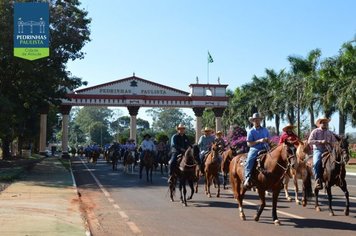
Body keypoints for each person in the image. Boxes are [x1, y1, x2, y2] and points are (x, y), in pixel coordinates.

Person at [308, 117, 338, 190]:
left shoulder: (330, 133)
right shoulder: (315, 131)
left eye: (326, 123)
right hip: (318, 150)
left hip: (329, 150)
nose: (325, 124)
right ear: (320, 123)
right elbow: (310, 141)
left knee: (337, 161)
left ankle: (337, 178)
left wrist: (332, 143)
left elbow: (335, 142)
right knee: (316, 162)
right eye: (323, 122)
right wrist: (321, 141)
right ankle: (318, 180)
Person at [243, 113, 270, 189]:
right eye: (255, 120)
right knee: (249, 160)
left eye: (258, 120)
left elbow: (269, 140)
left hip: (266, 148)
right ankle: (247, 178)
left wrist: (267, 140)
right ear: (253, 121)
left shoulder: (265, 130)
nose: (257, 121)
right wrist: (259, 141)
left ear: (260, 120)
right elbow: (249, 144)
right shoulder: (251, 131)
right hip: (255, 149)